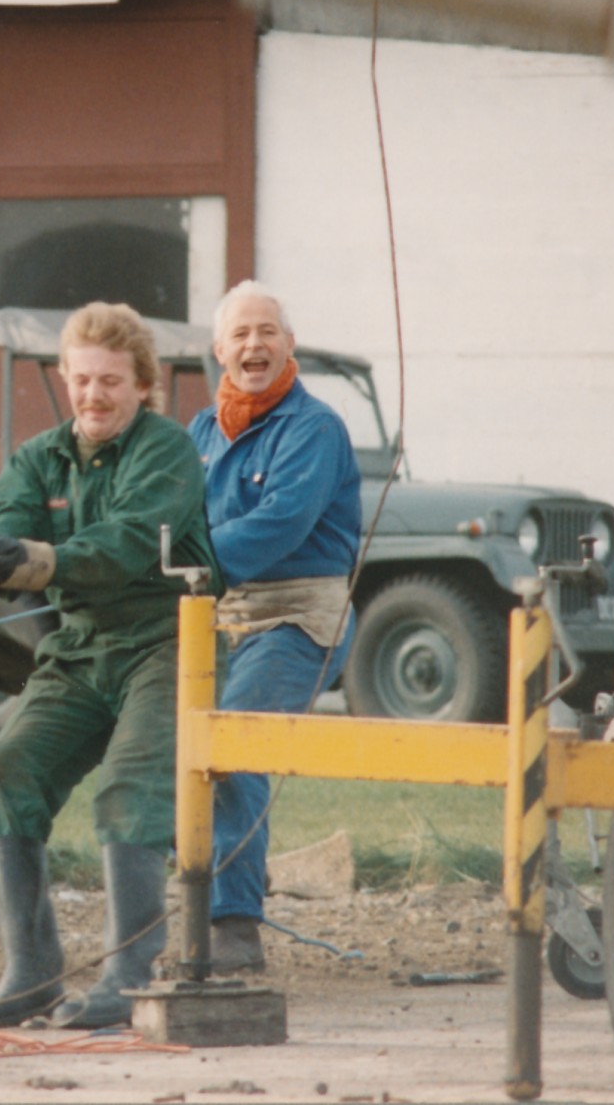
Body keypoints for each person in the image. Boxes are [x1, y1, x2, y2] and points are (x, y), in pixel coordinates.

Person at [0, 303, 219, 1030]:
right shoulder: (37, 458)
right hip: (78, 647)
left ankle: (128, 978)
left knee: (128, 787)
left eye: (110, 380)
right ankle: (32, 971)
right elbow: (1, 528)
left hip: (170, 641)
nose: (94, 394)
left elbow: (126, 542)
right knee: (7, 768)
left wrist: (41, 560)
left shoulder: (166, 450)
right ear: (63, 379)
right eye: (81, 379)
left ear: (142, 383)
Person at [188, 281, 363, 975]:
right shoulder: (200, 432)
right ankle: (182, 897)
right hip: (216, 612)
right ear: (218, 351)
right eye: (240, 334)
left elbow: (281, 524)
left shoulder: (312, 427)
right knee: (162, 741)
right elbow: (163, 515)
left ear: (288, 344)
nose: (253, 345)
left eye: (267, 331)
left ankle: (233, 922)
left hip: (298, 614)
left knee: (233, 745)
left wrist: (190, 557)